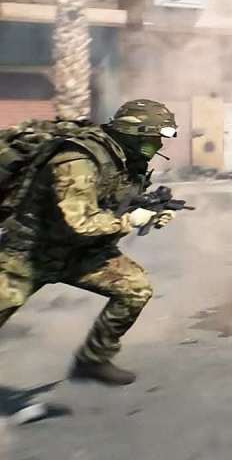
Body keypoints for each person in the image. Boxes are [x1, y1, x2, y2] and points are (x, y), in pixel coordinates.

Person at [0, 99, 178, 386]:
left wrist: (151, 213)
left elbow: (114, 202)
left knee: (135, 289)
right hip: (28, 254)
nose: (158, 143)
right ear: (134, 133)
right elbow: (80, 221)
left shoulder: (127, 160)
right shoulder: (78, 159)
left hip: (79, 254)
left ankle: (93, 359)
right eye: (153, 136)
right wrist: (130, 221)